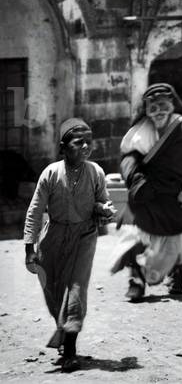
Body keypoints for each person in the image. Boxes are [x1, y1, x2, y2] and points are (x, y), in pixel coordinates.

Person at [23, 118, 115, 372]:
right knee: (53, 289)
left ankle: (71, 350)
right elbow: (35, 210)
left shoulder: (96, 172)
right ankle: (62, 331)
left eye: (89, 142)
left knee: (76, 289)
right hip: (52, 237)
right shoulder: (50, 173)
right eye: (79, 142)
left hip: (84, 236)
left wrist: (104, 209)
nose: (86, 146)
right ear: (63, 148)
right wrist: (30, 247)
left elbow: (102, 202)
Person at [110, 83, 182, 302]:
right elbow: (128, 157)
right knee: (136, 237)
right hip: (146, 194)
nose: (158, 112)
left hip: (174, 194)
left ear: (172, 105)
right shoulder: (140, 131)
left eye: (163, 106)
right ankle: (136, 280)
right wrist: (134, 176)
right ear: (146, 110)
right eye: (152, 108)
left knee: (176, 239)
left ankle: (177, 273)